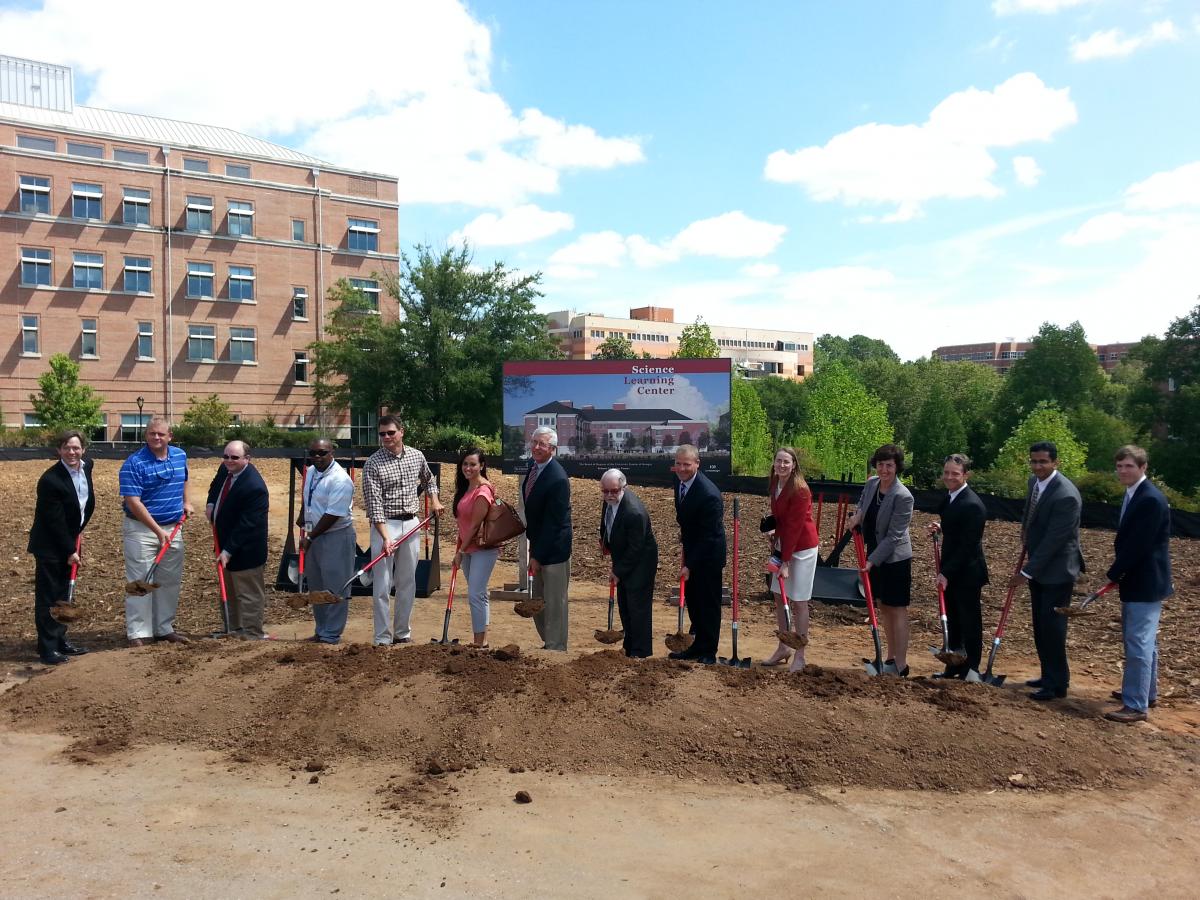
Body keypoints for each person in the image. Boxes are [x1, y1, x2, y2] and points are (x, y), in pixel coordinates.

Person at [1104, 445, 1173, 723]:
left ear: (1143, 468)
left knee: (1139, 643)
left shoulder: (1150, 500)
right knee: (1146, 641)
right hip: (1140, 578)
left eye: (1129, 466)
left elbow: (1138, 545)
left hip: (1145, 580)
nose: (1123, 471)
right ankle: (1145, 693)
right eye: (1119, 466)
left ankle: (1135, 705)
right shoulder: (1135, 494)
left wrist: (1114, 573)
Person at [1011, 440, 1084, 701]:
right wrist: (1024, 536)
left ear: (1055, 462)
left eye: (1043, 462)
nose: (1038, 466)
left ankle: (1057, 684)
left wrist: (1027, 571)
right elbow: (1030, 516)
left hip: (1057, 571)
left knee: (1053, 628)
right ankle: (1047, 674)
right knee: (1041, 625)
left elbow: (1055, 539)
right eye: (1034, 461)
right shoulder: (1035, 483)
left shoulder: (1066, 495)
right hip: (1040, 567)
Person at [361, 416, 443, 646]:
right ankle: (382, 637)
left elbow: (429, 480)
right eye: (382, 434)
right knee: (382, 584)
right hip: (384, 525)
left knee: (407, 581)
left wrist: (434, 500)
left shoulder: (417, 456)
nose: (386, 437)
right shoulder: (373, 463)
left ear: (401, 432)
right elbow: (374, 505)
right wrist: (386, 538)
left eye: (390, 433)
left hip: (411, 524)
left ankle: (402, 633)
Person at [120, 416, 194, 647]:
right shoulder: (134, 463)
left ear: (170, 436)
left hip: (173, 527)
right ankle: (139, 632)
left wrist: (187, 502)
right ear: (146, 435)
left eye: (161, 434)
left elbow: (184, 479)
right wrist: (157, 531)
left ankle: (163, 627)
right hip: (141, 529)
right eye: (152, 433)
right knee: (141, 580)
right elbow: (133, 502)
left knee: (169, 580)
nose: (156, 437)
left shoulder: (180, 456)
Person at [27, 430, 96, 665]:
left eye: (76, 448)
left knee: (63, 595)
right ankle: (47, 648)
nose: (72, 452)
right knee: (48, 597)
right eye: (67, 448)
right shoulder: (50, 480)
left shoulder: (86, 467)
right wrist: (70, 550)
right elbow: (54, 521)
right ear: (59, 450)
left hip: (70, 539)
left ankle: (59, 640)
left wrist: (78, 532)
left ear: (83, 449)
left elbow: (82, 505)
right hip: (50, 545)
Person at [847, 444, 914, 676]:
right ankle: (889, 658)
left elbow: (895, 536)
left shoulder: (903, 496)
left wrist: (871, 561)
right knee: (884, 607)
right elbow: (862, 504)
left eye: (889, 465)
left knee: (897, 608)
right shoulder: (872, 484)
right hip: (874, 551)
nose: (884, 470)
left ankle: (901, 664)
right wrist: (857, 516)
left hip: (895, 559)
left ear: (897, 468)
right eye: (881, 464)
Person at [927, 453, 989, 679]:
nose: (949, 477)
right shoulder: (951, 497)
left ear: (966, 475)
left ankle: (971, 667)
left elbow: (968, 545)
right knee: (953, 619)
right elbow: (957, 527)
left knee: (969, 621)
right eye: (946, 473)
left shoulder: (973, 504)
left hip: (967, 572)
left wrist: (946, 573)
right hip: (952, 569)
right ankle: (953, 664)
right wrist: (942, 527)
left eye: (955, 473)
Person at [760, 448, 819, 673]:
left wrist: (785, 562)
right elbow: (781, 517)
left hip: (801, 548)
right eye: (778, 461)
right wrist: (773, 531)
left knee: (799, 601)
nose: (782, 465)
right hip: (783, 544)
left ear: (794, 465)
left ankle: (800, 654)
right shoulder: (775, 483)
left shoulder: (800, 490)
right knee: (778, 595)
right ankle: (783, 646)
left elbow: (795, 527)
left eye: (786, 462)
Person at [206, 441, 270, 639]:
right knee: (230, 591)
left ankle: (253, 633)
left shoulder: (254, 487)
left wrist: (228, 551)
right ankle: (233, 628)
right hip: (224, 541)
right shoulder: (225, 469)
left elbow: (247, 525)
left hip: (246, 549)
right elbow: (216, 484)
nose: (228, 461)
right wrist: (210, 503)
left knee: (248, 593)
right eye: (226, 456)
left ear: (247, 459)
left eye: (234, 458)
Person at [670, 444, 727, 665]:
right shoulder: (679, 480)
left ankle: (708, 650)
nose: (682, 468)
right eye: (679, 463)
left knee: (708, 604)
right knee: (693, 601)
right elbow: (685, 515)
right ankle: (697, 646)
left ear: (697, 464)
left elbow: (709, 536)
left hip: (708, 554)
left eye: (687, 464)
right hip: (693, 547)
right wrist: (683, 535)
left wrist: (689, 565)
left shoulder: (709, 495)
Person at [298, 438, 356, 644]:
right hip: (315, 535)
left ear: (332, 453)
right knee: (317, 585)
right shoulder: (312, 472)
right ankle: (321, 629)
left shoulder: (340, 479)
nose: (317, 457)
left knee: (335, 587)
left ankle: (331, 633)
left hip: (336, 536)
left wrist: (310, 537)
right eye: (313, 453)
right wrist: (304, 527)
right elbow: (309, 501)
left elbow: (333, 514)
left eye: (322, 453)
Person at [598, 468, 658, 659]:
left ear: (624, 487)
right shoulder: (610, 500)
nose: (608, 495)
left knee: (637, 607)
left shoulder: (634, 512)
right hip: (624, 556)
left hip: (640, 562)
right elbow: (607, 522)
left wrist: (618, 571)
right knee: (625, 604)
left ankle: (640, 652)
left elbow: (636, 549)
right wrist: (606, 543)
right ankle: (630, 646)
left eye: (613, 491)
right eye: (605, 491)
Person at [522, 426, 572, 651]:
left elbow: (553, 524)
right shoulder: (534, 468)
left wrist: (537, 556)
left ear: (553, 448)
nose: (536, 447)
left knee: (554, 603)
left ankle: (556, 646)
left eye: (542, 444)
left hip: (554, 551)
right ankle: (548, 641)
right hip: (539, 545)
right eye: (534, 442)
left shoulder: (557, 478)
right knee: (539, 600)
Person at [452, 447, 500, 647]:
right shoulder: (466, 488)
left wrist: (460, 552)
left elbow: (474, 525)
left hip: (482, 549)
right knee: (479, 594)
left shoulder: (482, 491)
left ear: (482, 465)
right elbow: (462, 524)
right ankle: (483, 640)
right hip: (467, 548)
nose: (468, 468)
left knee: (475, 595)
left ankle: (478, 642)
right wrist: (460, 549)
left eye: (473, 464)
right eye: (465, 464)